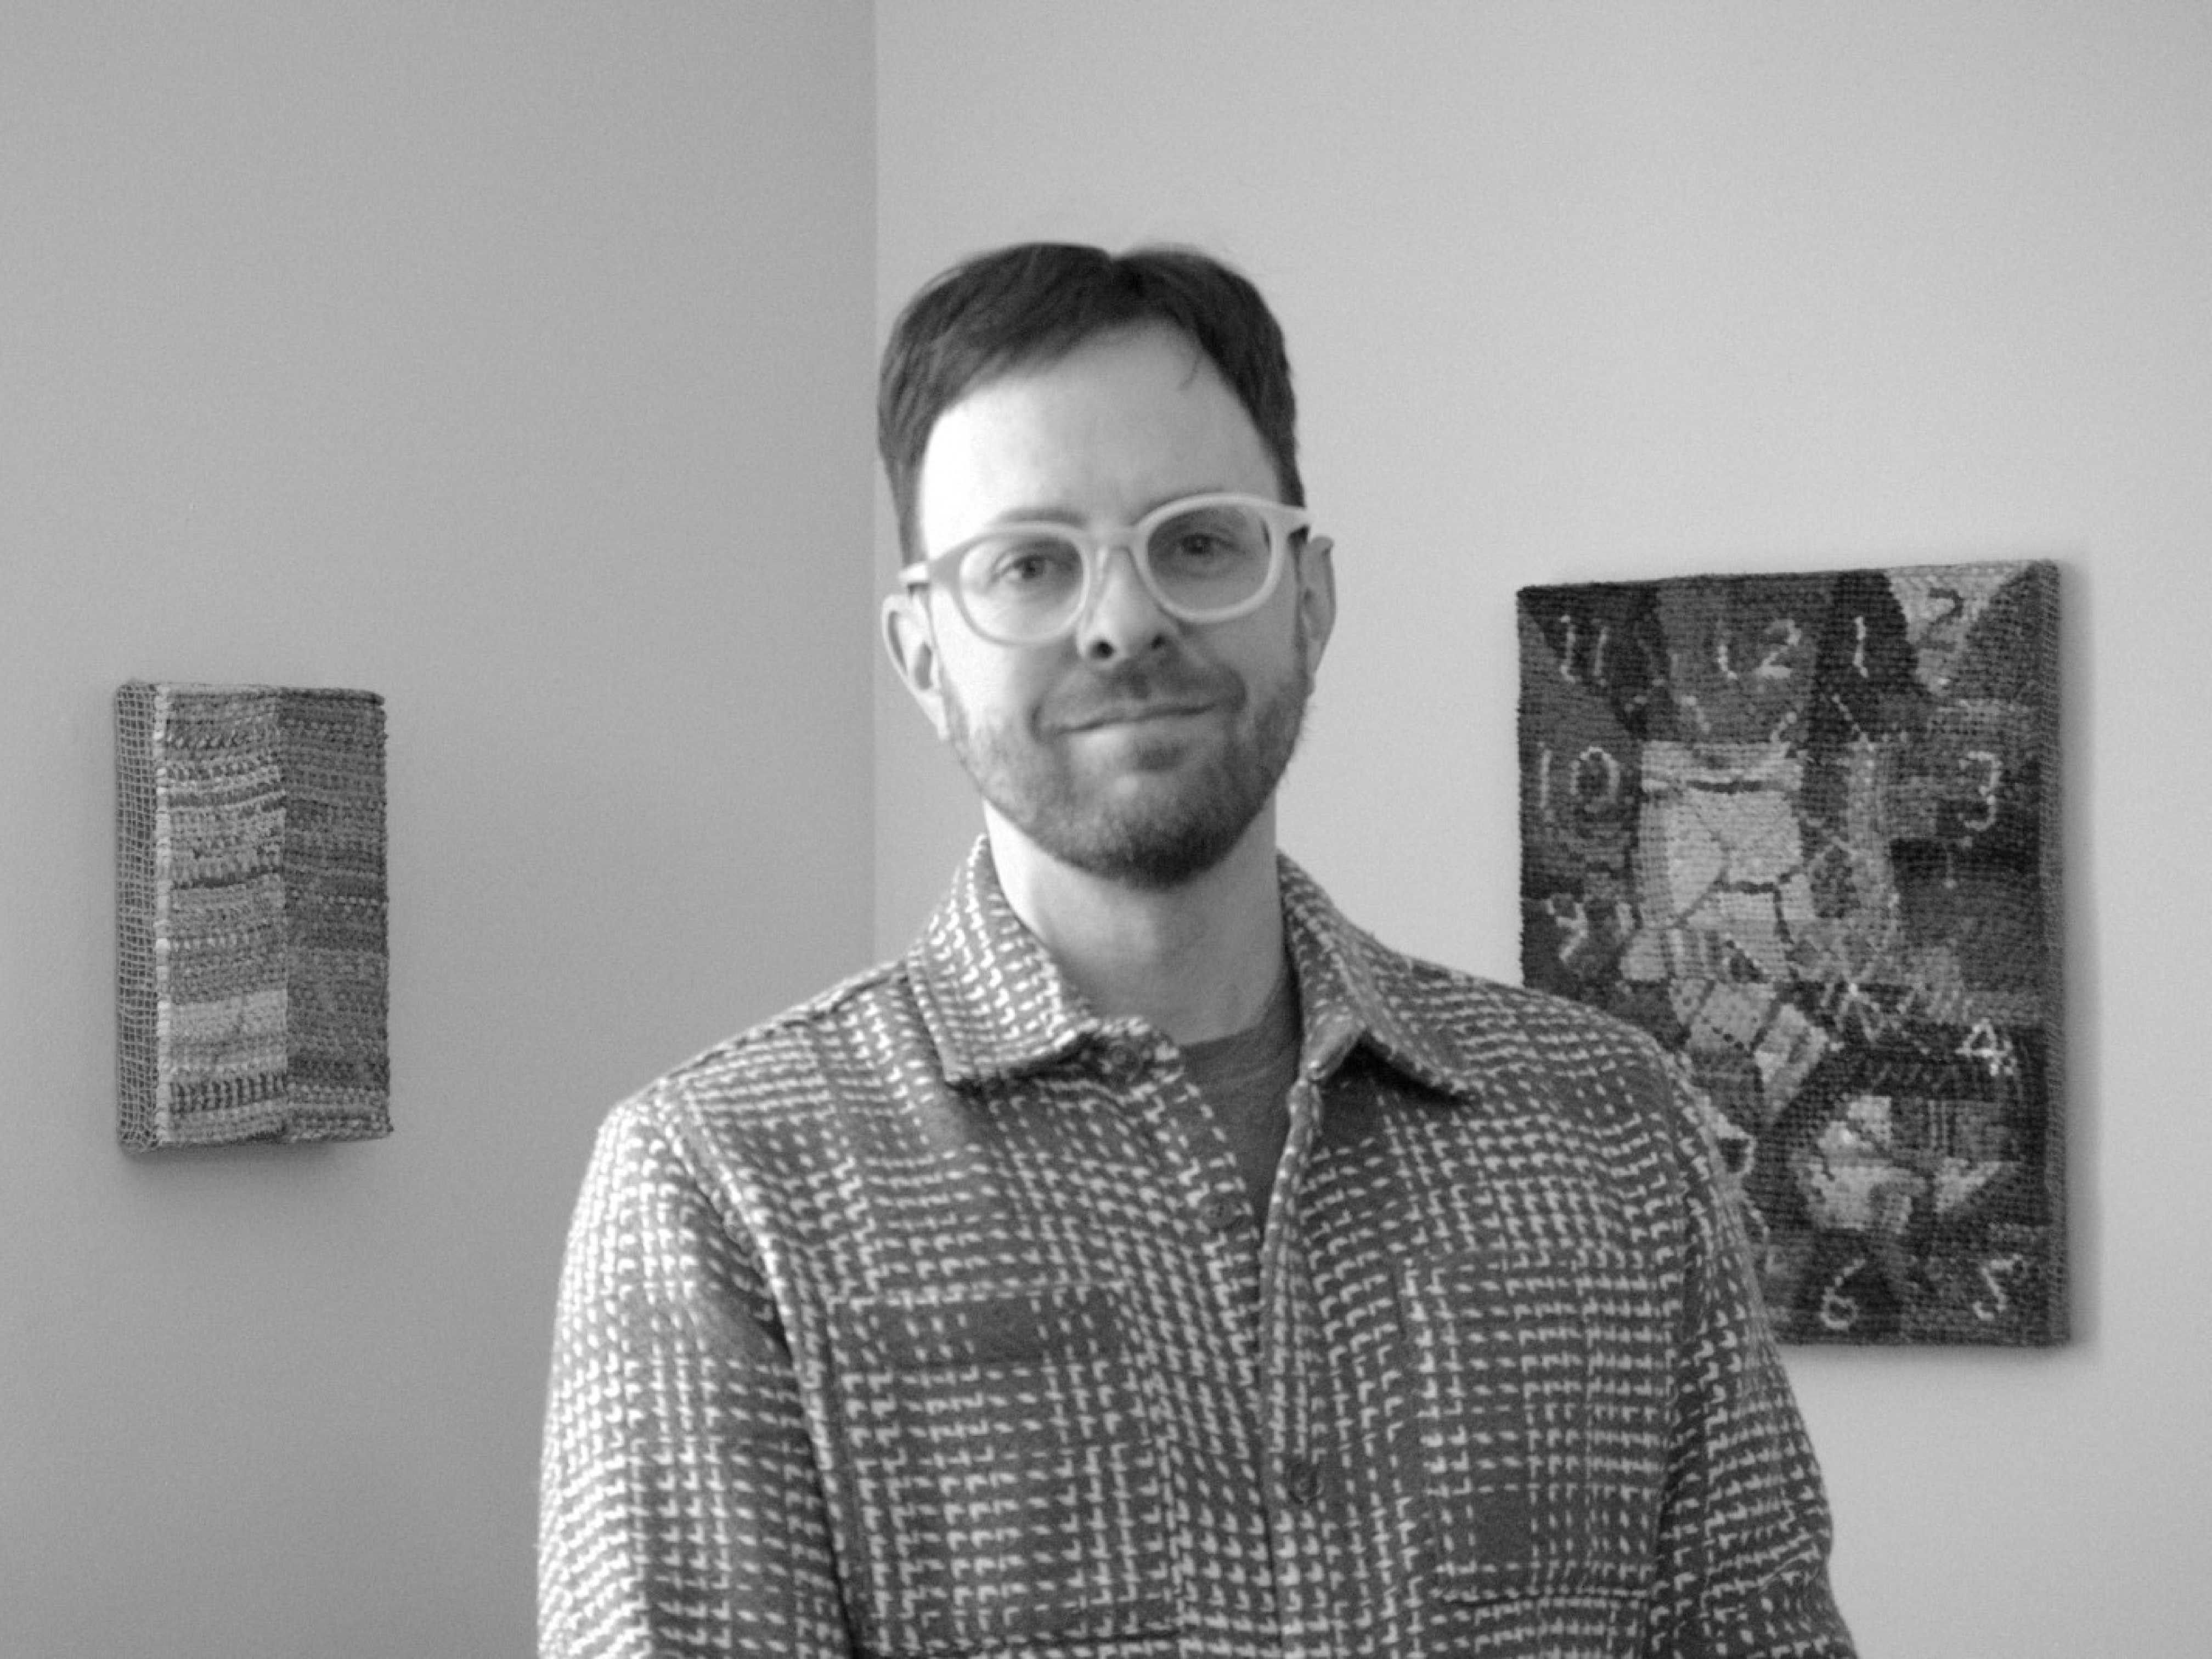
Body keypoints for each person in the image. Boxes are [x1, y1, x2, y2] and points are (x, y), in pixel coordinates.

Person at [538, 242, 1855, 1658]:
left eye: (1199, 542)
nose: (1124, 622)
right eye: (1029, 565)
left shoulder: (1614, 1128)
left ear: (1310, 600)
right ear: (922, 656)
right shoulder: (725, 1185)